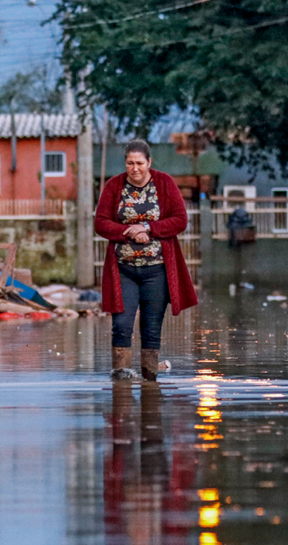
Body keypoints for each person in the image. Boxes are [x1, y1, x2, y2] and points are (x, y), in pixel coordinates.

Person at [95, 139, 198, 380]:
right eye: (130, 163)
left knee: (151, 328)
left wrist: (148, 228)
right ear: (125, 163)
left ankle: (150, 380)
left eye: (140, 163)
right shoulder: (114, 186)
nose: (135, 168)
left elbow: (180, 219)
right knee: (122, 324)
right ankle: (121, 379)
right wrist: (129, 231)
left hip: (157, 270)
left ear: (149, 162)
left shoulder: (165, 183)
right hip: (124, 270)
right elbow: (100, 223)